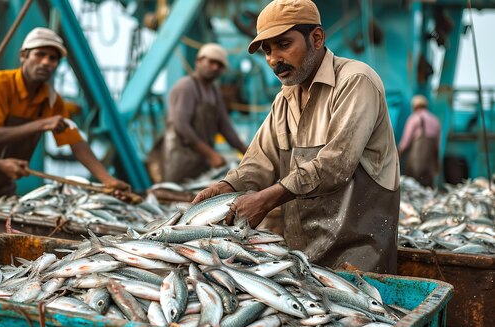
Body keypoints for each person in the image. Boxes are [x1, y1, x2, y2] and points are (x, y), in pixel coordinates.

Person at [194, 0, 400, 273]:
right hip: (304, 258)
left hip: (359, 258)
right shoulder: (284, 100)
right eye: (267, 50)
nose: (273, 59)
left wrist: (266, 200)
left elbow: (335, 165)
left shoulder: (355, 81)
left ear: (316, 38)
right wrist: (226, 187)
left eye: (284, 44)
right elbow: (259, 163)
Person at [0, 27, 129, 239]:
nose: (47, 62)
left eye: (53, 58)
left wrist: (107, 180)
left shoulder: (51, 100)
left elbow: (76, 143)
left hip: (4, 179)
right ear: (23, 55)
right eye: (40, 54)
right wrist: (42, 124)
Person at [160, 43, 248, 183]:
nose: (215, 68)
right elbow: (181, 125)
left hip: (202, 165)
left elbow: (225, 127)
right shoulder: (186, 86)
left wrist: (248, 152)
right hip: (180, 164)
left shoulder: (214, 91)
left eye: (220, 65)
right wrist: (211, 154)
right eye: (211, 62)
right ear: (198, 61)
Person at [398, 94, 441, 188]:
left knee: (411, 188)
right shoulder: (435, 120)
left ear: (414, 106)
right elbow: (437, 147)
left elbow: (405, 143)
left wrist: (397, 156)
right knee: (426, 191)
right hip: (429, 167)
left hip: (414, 165)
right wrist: (437, 165)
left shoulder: (414, 118)